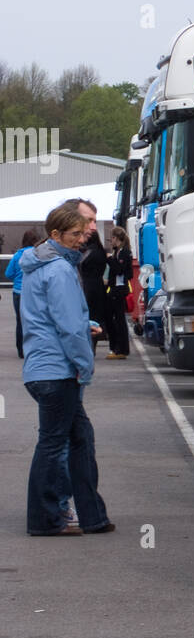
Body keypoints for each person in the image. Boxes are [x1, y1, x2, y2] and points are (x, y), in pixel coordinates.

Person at [20, 204, 115, 536]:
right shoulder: (58, 269)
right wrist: (84, 366)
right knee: (56, 444)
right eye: (75, 233)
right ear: (55, 235)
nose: (81, 239)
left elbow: (49, 316)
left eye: (83, 232)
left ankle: (88, 515)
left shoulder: (38, 264)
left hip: (43, 366)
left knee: (75, 439)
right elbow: (68, 329)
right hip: (56, 369)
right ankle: (50, 517)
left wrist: (80, 323)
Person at [73, 199, 108, 353]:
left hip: (91, 288)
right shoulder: (95, 252)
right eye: (89, 221)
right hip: (96, 288)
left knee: (92, 320)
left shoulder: (87, 254)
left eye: (95, 222)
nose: (93, 227)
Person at [5, 228, 41, 358]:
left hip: (18, 292)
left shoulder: (17, 256)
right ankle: (34, 348)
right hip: (34, 292)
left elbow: (8, 274)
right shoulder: (39, 255)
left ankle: (21, 350)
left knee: (20, 321)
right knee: (35, 321)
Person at [105, 227, 133, 359]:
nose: (112, 241)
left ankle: (121, 349)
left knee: (119, 319)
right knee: (115, 318)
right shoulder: (118, 252)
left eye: (113, 238)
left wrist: (110, 260)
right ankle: (118, 347)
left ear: (119, 239)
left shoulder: (123, 253)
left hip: (119, 289)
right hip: (115, 288)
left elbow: (120, 270)